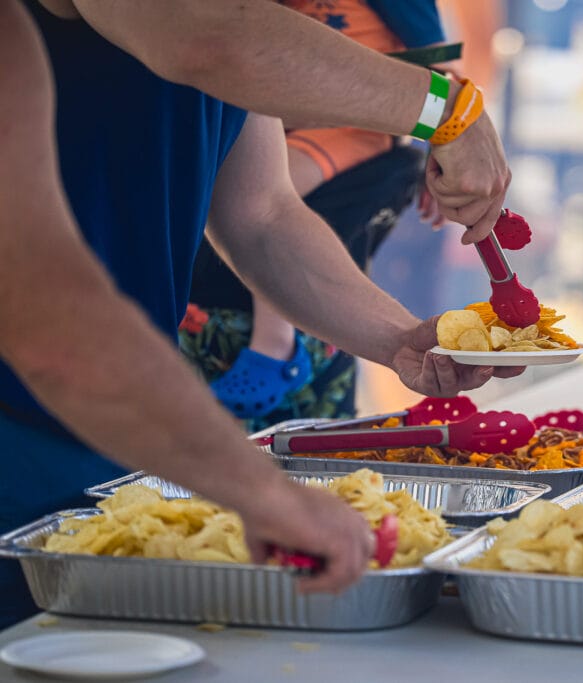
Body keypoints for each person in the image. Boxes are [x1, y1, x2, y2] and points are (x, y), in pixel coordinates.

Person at [0, 0, 517, 629]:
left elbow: (263, 215)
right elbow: (208, 34)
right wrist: (448, 110)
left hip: (113, 429)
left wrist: (398, 338)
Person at [185, 0, 455, 430]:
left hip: (353, 125)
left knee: (276, 188)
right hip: (288, 117)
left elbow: (439, 60)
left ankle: (275, 341)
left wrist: (447, 138)